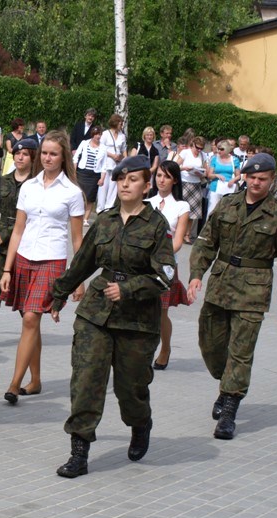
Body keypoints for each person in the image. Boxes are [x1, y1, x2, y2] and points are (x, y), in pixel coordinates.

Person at [51, 155, 176, 477]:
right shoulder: (105, 220)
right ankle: (79, 451)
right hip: (96, 313)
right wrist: (59, 293)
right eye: (121, 179)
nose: (125, 184)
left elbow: (165, 276)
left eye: (133, 179)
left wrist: (130, 288)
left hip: (137, 321)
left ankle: (140, 423)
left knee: (130, 389)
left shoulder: (156, 225)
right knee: (86, 381)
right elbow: (83, 261)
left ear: (146, 186)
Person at [188, 153, 277, 440]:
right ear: (245, 177)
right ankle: (227, 382)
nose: (256, 183)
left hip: (254, 290)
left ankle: (229, 408)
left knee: (241, 351)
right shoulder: (228, 204)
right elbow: (206, 242)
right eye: (252, 177)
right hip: (221, 283)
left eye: (262, 179)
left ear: (272, 179)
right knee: (210, 344)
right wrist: (196, 274)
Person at [0, 131, 85, 404]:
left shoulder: (73, 193)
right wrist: (7, 269)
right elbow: (18, 230)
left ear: (63, 157)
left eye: (53, 154)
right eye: (45, 153)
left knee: (30, 318)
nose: (48, 158)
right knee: (30, 322)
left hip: (52, 260)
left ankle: (14, 384)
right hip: (24, 258)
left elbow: (77, 240)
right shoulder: (29, 187)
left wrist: (79, 278)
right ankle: (35, 381)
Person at [0, 137, 38, 350]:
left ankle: (31, 331)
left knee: (22, 289)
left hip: (25, 242)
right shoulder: (2, 181)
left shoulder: (37, 184)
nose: (20, 157)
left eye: (25, 154)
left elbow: (33, 216)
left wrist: (6, 233)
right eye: (17, 154)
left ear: (32, 158)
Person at [147, 161, 191, 370]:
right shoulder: (146, 202)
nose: (161, 180)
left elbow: (178, 241)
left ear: (175, 180)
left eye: (166, 176)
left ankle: (165, 349)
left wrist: (159, 256)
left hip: (165, 265)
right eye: (158, 175)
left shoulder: (182, 206)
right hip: (143, 263)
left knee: (161, 312)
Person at [72, 125, 106, 226]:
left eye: (99, 134)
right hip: (82, 172)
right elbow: (75, 158)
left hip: (94, 175)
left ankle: (85, 219)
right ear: (92, 135)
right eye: (96, 134)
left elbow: (104, 165)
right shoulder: (84, 143)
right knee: (80, 196)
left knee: (90, 198)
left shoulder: (103, 147)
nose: (98, 136)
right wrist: (74, 172)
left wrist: (102, 178)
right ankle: (77, 215)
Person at [176, 135, 207, 238]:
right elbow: (175, 166)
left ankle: (187, 234)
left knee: (193, 212)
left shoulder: (203, 155)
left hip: (196, 183)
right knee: (181, 209)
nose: (199, 150)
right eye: (197, 148)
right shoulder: (185, 152)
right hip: (184, 182)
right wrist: (185, 168)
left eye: (201, 148)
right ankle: (178, 232)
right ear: (192, 144)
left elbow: (206, 172)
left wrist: (200, 174)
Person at [204, 140, 241, 227]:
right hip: (215, 187)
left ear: (227, 149)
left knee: (226, 211)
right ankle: (208, 229)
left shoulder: (234, 160)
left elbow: (238, 176)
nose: (219, 151)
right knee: (212, 210)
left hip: (229, 188)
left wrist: (233, 180)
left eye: (221, 149)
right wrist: (216, 175)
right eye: (218, 149)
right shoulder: (214, 159)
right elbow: (209, 175)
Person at [97, 113, 127, 214]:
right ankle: (100, 209)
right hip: (106, 163)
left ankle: (108, 209)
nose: (121, 125)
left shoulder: (122, 136)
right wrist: (112, 155)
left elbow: (124, 149)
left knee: (113, 188)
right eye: (120, 123)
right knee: (103, 187)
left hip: (117, 165)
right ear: (115, 123)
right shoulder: (105, 134)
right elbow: (101, 148)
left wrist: (125, 159)